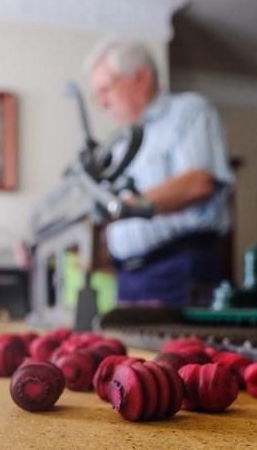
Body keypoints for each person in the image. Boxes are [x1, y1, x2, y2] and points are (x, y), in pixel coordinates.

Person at [84, 38, 234, 306]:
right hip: (128, 278)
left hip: (177, 271)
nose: (103, 102)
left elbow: (197, 183)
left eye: (106, 89)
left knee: (180, 350)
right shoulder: (120, 143)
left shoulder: (188, 111)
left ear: (140, 77)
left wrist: (124, 206)